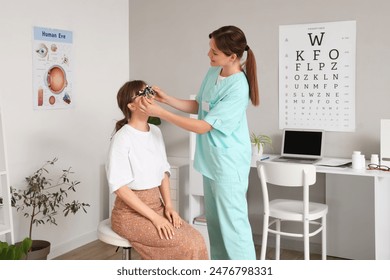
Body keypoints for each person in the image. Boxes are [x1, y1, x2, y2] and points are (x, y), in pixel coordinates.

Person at [140, 26, 259, 260]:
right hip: (211, 162)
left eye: (214, 52)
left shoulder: (238, 87)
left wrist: (161, 113)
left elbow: (205, 126)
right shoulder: (215, 71)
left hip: (228, 165)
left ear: (232, 56)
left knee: (234, 231)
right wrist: (168, 100)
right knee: (215, 227)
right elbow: (201, 107)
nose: (208, 55)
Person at [106, 80, 208, 260]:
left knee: (197, 240)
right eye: (142, 93)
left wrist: (169, 206)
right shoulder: (122, 138)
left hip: (158, 206)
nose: (149, 95)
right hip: (129, 214)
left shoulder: (155, 131)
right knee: (186, 246)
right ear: (131, 105)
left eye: (148, 90)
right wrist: (155, 218)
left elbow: (163, 172)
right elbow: (120, 188)